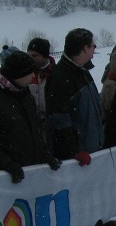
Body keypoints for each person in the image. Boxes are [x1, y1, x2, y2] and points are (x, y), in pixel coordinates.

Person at [0, 50, 62, 182]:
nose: (33, 76)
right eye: (30, 72)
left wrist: (44, 156)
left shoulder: (25, 96)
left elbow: (34, 132)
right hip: (4, 178)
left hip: (28, 174)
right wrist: (7, 164)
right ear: (19, 74)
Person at [44, 27, 103, 165]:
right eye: (92, 45)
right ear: (84, 48)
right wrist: (74, 152)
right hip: (75, 161)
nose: (94, 48)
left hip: (91, 152)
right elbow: (59, 121)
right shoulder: (61, 77)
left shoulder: (82, 71)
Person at [25, 37, 55, 126]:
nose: (30, 59)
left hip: (51, 124)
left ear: (45, 56)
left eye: (34, 56)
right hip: (31, 124)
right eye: (29, 55)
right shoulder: (25, 74)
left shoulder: (55, 73)